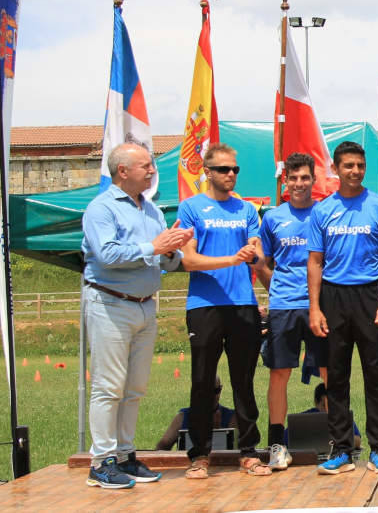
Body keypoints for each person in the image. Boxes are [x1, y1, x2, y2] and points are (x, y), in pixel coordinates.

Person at [81, 142, 191, 489]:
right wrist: (154, 247)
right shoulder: (101, 210)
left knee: (135, 387)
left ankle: (126, 455)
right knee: (108, 386)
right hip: (110, 303)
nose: (152, 170)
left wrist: (175, 248)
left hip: (145, 304)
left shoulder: (151, 211)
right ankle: (101, 461)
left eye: (151, 165)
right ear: (122, 171)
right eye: (145, 165)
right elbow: (107, 255)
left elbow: (164, 259)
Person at [308, 141, 378, 475]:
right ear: (335, 168)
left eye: (360, 165)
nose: (355, 171)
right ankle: (342, 450)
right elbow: (315, 262)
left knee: (375, 376)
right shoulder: (322, 210)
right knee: (337, 378)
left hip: (369, 297)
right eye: (348, 165)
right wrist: (315, 308)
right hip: (333, 297)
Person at [178, 142, 270, 478]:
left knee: (243, 381)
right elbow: (188, 260)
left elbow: (256, 251)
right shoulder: (190, 208)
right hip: (204, 306)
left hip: (243, 305)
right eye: (223, 169)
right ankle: (200, 456)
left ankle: (248, 452)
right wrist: (232, 259)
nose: (230, 174)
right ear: (207, 172)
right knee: (203, 381)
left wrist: (254, 252)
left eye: (235, 169)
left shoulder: (246, 209)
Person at [254, 152, 329, 470]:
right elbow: (261, 262)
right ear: (285, 181)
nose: (299, 183)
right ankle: (275, 446)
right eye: (293, 177)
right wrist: (278, 289)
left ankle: (336, 442)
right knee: (279, 374)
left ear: (314, 179)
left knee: (330, 373)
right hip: (284, 307)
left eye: (305, 177)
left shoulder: (325, 213)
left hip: (320, 307)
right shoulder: (273, 217)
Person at [156, 376, 236, 450]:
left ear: (220, 390)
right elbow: (161, 447)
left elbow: (236, 453)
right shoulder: (183, 417)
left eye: (215, 391)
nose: (210, 396)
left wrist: (218, 433)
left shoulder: (232, 418)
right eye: (206, 391)